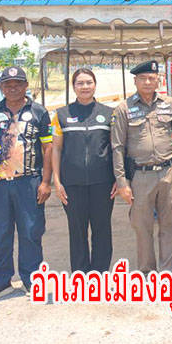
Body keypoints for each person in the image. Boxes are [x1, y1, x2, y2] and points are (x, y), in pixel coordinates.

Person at [0, 66, 52, 302]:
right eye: (8, 84)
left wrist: (46, 182)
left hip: (29, 183)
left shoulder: (39, 112)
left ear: (26, 85)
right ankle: (0, 282)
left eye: (18, 83)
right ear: (2, 87)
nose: (13, 88)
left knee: (31, 231)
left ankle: (32, 281)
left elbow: (48, 148)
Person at [111, 60, 172, 273]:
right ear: (135, 81)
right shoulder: (123, 109)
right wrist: (122, 183)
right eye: (143, 78)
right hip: (140, 176)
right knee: (142, 227)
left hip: (169, 172)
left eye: (152, 78)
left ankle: (168, 272)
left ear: (158, 80)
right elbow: (117, 147)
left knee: (170, 224)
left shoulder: (170, 104)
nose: (148, 82)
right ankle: (146, 272)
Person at [51, 68, 116, 272]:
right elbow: (56, 149)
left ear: (95, 85)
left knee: (102, 229)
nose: (85, 87)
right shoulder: (61, 115)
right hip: (72, 184)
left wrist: (118, 178)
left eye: (89, 82)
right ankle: (80, 275)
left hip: (103, 183)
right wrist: (57, 181)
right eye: (80, 83)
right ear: (73, 87)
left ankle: (100, 274)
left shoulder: (109, 113)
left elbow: (116, 148)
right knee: (77, 231)